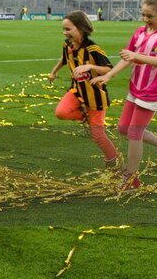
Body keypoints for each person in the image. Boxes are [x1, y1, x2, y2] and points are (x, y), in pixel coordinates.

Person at [91, 0, 157, 190]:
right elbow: (127, 58)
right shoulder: (140, 32)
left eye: (150, 15)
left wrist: (137, 55)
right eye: (143, 14)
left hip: (153, 91)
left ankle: (131, 179)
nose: (145, 19)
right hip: (136, 87)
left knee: (134, 132)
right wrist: (109, 76)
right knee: (124, 129)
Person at [47, 11, 119, 170]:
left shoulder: (93, 49)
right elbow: (64, 59)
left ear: (81, 28)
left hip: (95, 97)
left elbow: (108, 70)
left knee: (98, 136)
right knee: (61, 112)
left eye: (68, 29)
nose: (65, 33)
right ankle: (83, 115)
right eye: (63, 30)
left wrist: (91, 66)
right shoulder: (67, 44)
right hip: (77, 91)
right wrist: (54, 71)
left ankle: (113, 161)